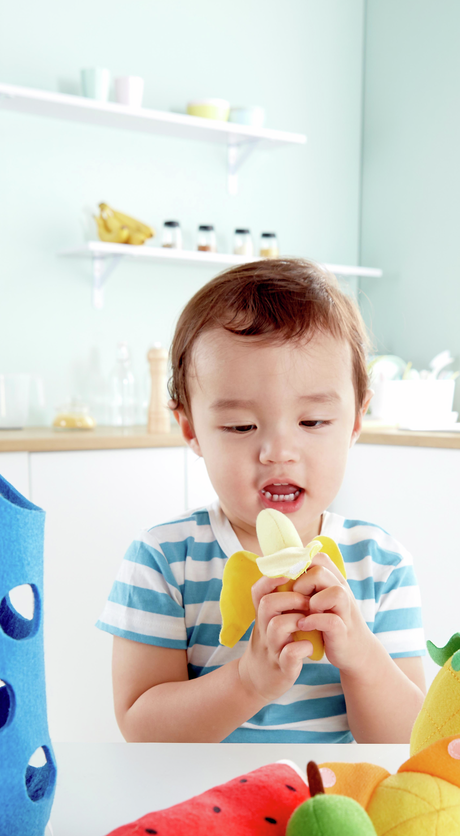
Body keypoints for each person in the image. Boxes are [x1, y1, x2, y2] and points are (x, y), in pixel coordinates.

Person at [96, 259, 426, 743]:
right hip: (207, 806)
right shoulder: (165, 560)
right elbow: (142, 730)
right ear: (192, 429)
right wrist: (247, 681)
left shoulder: (380, 563)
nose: (277, 452)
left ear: (356, 421)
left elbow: (405, 741)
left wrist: (360, 656)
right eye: (240, 427)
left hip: (336, 804)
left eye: (312, 422)